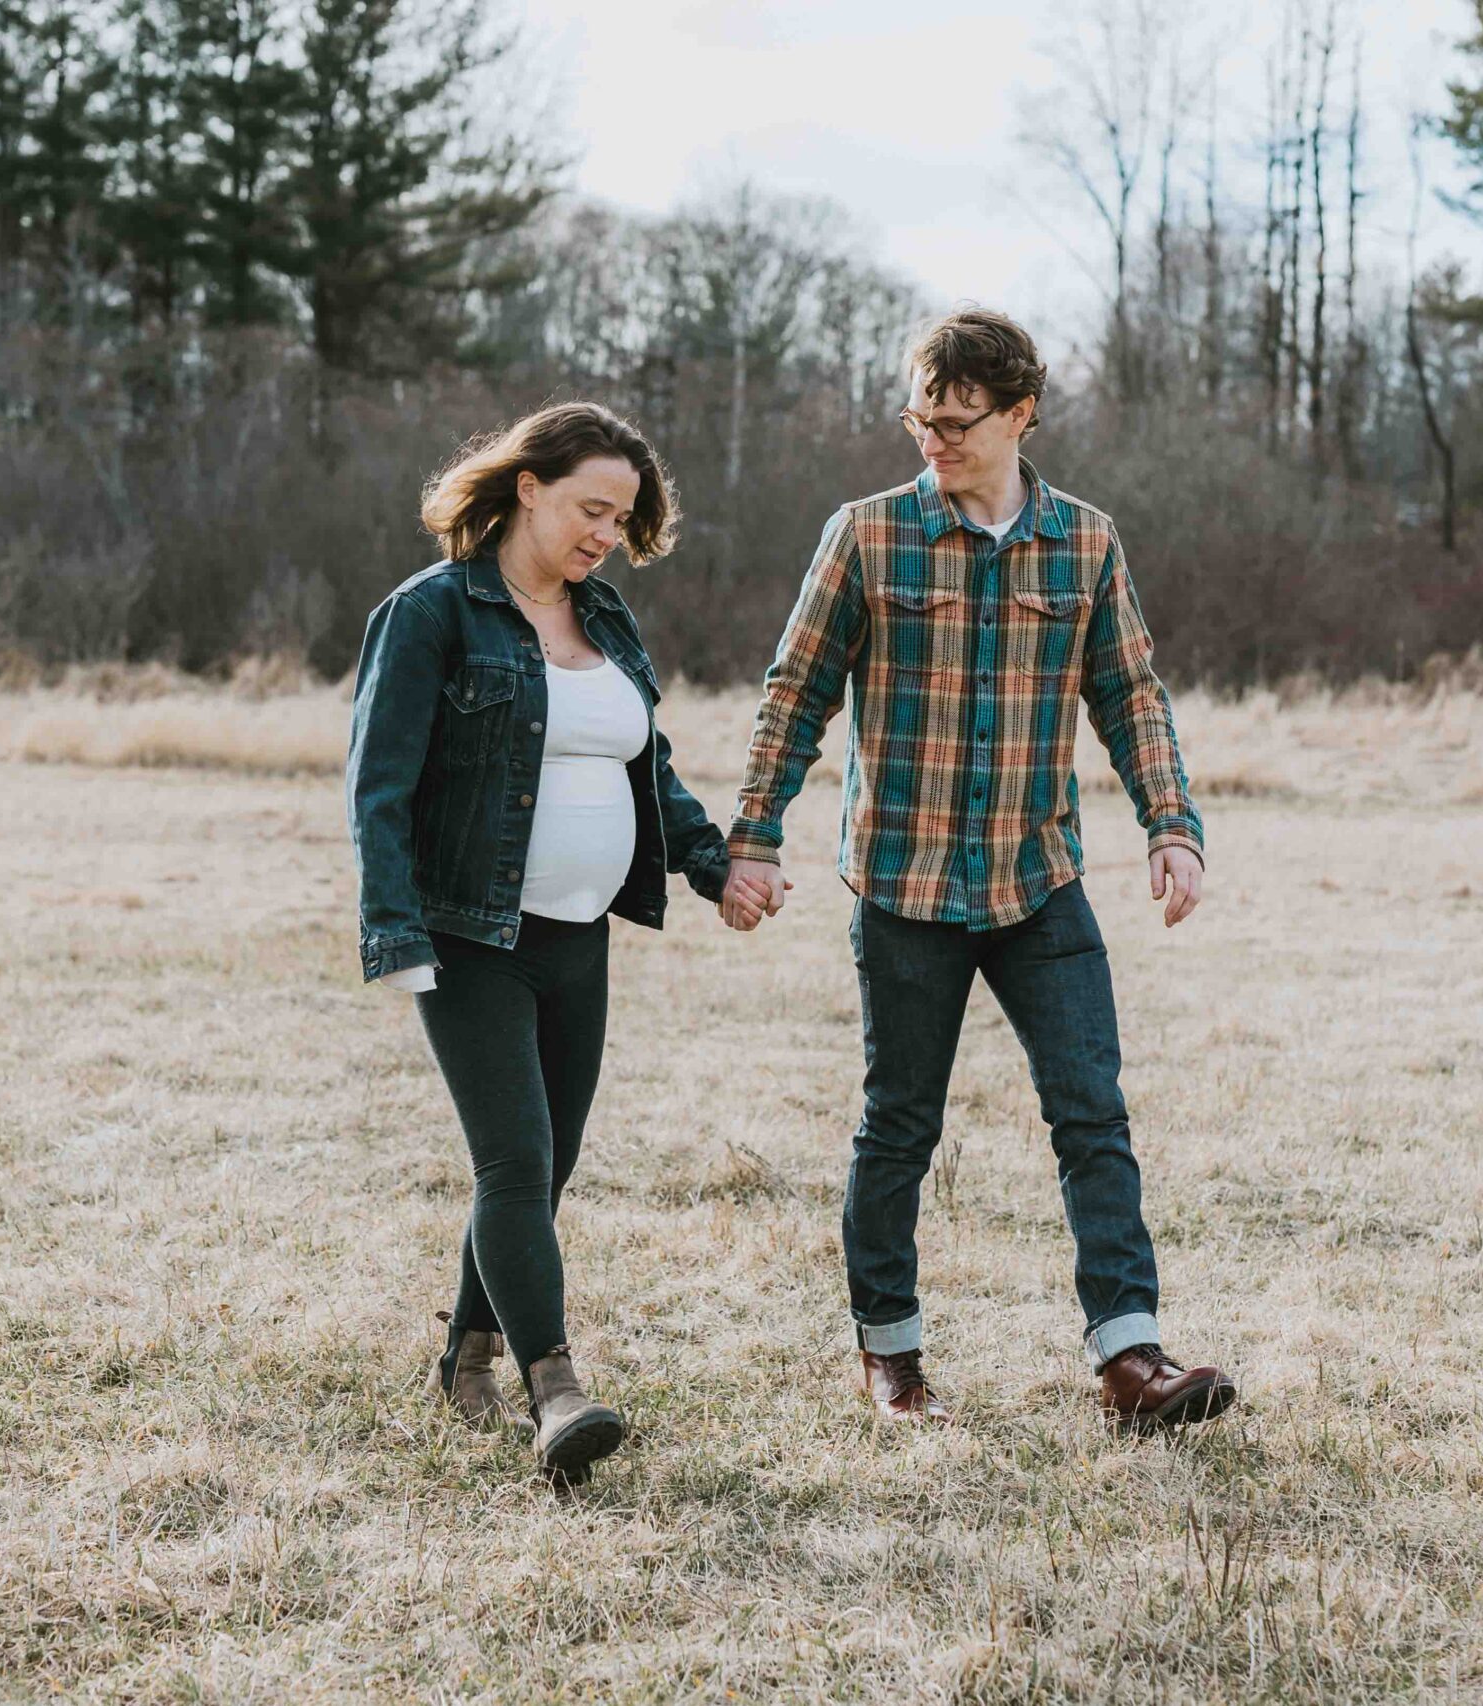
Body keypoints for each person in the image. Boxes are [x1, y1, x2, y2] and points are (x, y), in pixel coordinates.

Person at [720, 308, 1236, 1436]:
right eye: (919, 418)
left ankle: (1129, 1358)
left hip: (1036, 879)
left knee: (1091, 1111)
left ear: (1020, 415)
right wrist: (751, 837)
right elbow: (793, 692)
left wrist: (1171, 821)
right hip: (903, 886)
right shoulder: (865, 535)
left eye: (956, 422)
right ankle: (892, 1359)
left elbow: (1131, 692)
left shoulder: (1085, 543)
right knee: (899, 1122)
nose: (933, 440)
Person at [347, 402, 731, 1482]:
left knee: (546, 1164)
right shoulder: (430, 614)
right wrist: (397, 932)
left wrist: (715, 865)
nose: (606, 532)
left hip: (579, 937)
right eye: (590, 507)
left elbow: (646, 768)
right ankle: (553, 1386)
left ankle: (466, 1348)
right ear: (527, 486)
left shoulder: (607, 622)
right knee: (513, 1157)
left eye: (622, 517)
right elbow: (377, 787)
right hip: (469, 935)